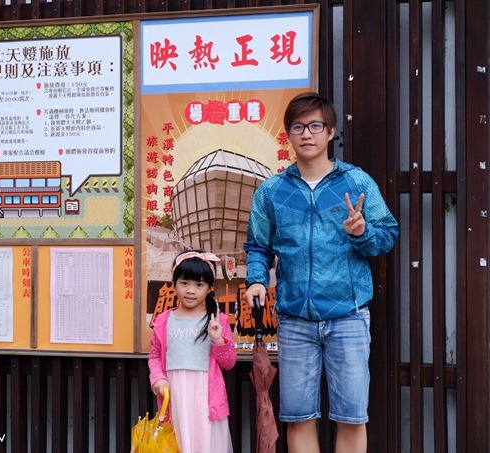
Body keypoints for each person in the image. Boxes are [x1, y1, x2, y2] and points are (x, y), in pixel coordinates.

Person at [243, 92, 399, 453]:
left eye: (315, 125)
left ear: (330, 133)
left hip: (348, 316)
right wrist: (255, 278)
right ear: (288, 134)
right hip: (295, 319)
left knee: (351, 415)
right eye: (298, 126)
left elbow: (387, 234)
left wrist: (362, 233)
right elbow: (258, 245)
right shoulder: (272, 191)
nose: (306, 134)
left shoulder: (356, 183)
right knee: (298, 416)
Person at [148, 250, 237, 453]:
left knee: (206, 443)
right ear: (174, 282)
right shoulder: (163, 320)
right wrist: (158, 379)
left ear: (209, 288)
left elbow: (229, 362)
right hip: (176, 395)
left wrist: (218, 340)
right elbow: (154, 355)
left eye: (199, 285)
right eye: (184, 283)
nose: (191, 290)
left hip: (206, 397)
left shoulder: (217, 320)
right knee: (178, 441)